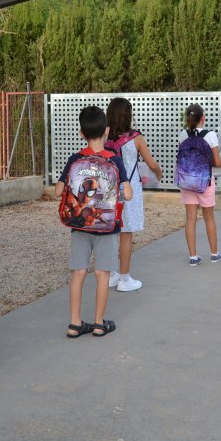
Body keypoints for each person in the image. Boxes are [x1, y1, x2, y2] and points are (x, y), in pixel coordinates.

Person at [55, 106, 132, 337]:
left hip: (79, 224)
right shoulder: (115, 160)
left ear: (81, 133)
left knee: (78, 272)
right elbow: (127, 194)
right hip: (107, 227)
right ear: (107, 131)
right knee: (102, 273)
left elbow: (59, 191)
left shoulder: (75, 158)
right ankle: (99, 323)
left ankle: (75, 323)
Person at [105, 97, 163, 292]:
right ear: (128, 115)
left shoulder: (104, 138)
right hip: (129, 189)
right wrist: (159, 173)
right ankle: (124, 278)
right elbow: (151, 163)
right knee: (126, 233)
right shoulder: (135, 137)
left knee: (111, 233)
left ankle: (111, 274)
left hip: (108, 190)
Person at [178, 103, 221, 266]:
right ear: (203, 118)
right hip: (205, 181)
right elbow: (216, 161)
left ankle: (193, 256)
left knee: (190, 218)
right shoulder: (210, 135)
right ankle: (214, 254)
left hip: (187, 181)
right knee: (209, 217)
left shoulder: (182, 135)